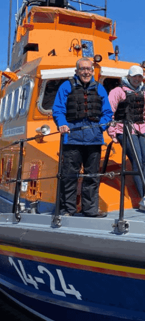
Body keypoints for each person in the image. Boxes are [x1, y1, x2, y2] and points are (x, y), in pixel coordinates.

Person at [52, 57, 113, 217]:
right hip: (72, 138)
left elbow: (107, 112)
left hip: (94, 139)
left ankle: (90, 209)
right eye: (83, 69)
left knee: (92, 176)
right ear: (77, 71)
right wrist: (62, 123)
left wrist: (102, 126)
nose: (86, 72)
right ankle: (67, 210)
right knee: (69, 176)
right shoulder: (66, 86)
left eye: (89, 69)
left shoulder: (100, 88)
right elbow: (58, 109)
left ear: (93, 71)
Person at [107, 65, 145, 211]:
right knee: (137, 160)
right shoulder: (117, 92)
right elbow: (109, 111)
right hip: (123, 128)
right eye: (134, 76)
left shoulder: (143, 94)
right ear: (129, 77)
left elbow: (143, 114)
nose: (137, 79)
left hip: (141, 128)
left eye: (139, 77)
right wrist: (112, 133)